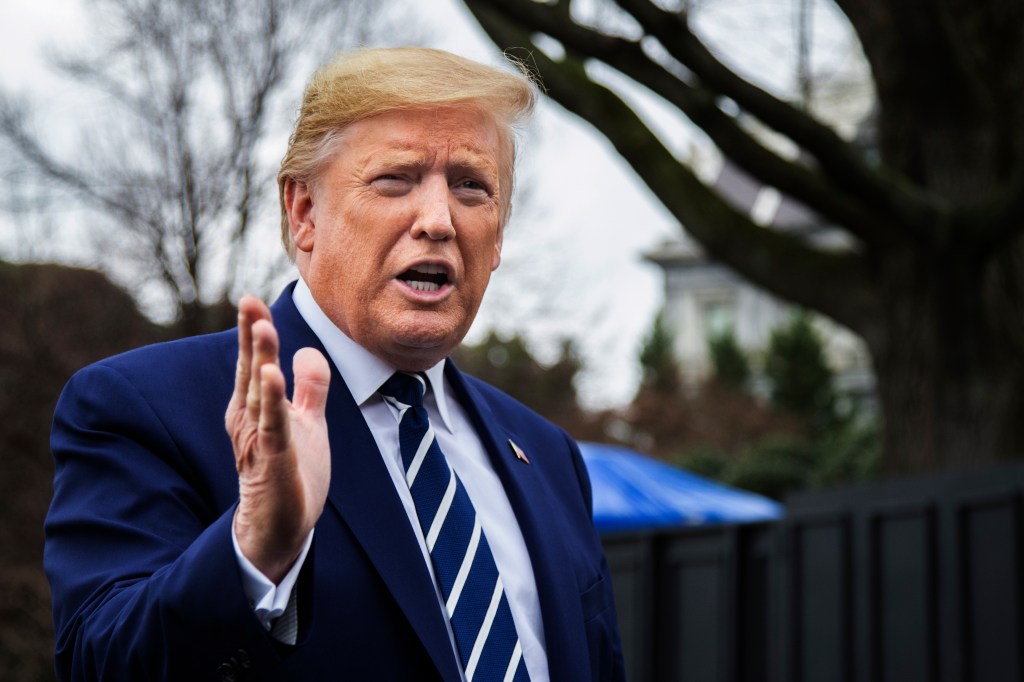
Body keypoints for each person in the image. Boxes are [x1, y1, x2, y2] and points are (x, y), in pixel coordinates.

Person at [44, 47, 624, 681]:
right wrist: (257, 550)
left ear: (499, 237)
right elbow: (102, 663)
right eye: (395, 179)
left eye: (471, 186)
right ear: (304, 212)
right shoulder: (144, 407)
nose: (438, 219)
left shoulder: (548, 455)